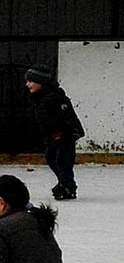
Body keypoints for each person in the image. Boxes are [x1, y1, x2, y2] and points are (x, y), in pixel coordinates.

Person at [25, 64, 85, 200]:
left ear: (41, 82)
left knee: (62, 161)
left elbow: (68, 116)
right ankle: (64, 183)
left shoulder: (56, 98)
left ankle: (68, 187)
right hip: (53, 137)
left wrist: (71, 132)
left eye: (31, 81)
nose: (28, 84)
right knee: (51, 157)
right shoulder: (40, 98)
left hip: (65, 136)